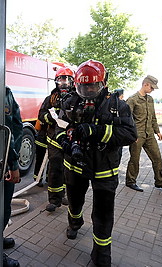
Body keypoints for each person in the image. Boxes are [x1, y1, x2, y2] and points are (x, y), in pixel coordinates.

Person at [55, 60, 137, 266]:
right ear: (77, 85)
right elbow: (59, 127)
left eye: (93, 86)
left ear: (104, 83)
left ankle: (101, 254)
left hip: (104, 169)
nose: (89, 90)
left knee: (103, 213)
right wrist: (65, 141)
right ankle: (75, 222)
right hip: (74, 165)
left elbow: (130, 134)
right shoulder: (70, 102)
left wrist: (97, 131)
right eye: (84, 86)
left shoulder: (118, 106)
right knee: (74, 202)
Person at [125, 75, 162, 192]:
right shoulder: (132, 99)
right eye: (152, 87)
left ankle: (159, 182)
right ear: (145, 84)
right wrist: (132, 135)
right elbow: (126, 119)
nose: (152, 90)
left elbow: (153, 117)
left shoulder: (150, 99)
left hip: (150, 134)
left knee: (157, 158)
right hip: (137, 135)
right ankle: (130, 181)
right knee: (134, 159)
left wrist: (157, 131)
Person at [37, 66, 75, 212]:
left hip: (69, 139)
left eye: (67, 80)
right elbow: (41, 115)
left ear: (73, 82)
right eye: (61, 80)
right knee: (54, 170)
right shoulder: (51, 99)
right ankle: (54, 200)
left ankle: (64, 195)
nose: (64, 83)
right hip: (53, 139)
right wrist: (52, 119)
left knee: (69, 170)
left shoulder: (77, 98)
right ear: (56, 82)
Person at [3, 86, 22, 267]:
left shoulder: (6, 92)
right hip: (2, 163)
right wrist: (13, 164)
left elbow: (16, 127)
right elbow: (6, 130)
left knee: (3, 208)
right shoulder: (0, 92)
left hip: (5, 158)